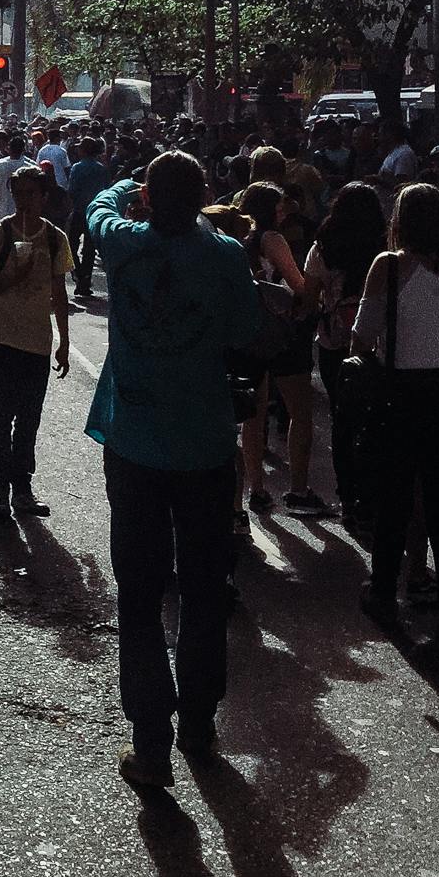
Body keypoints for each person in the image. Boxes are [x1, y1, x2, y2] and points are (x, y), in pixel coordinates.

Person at [85, 151, 261, 787]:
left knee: (138, 594)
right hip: (206, 446)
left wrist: (130, 184)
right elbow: (245, 331)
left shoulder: (127, 243)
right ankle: (199, 725)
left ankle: (151, 741)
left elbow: (96, 209)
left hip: (133, 441)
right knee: (204, 588)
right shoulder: (224, 255)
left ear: (152, 202)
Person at [351, 182, 439, 668]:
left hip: (402, 396)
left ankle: (384, 592)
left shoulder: (389, 267)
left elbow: (361, 338)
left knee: (394, 501)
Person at [0, 164, 72, 519]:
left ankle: (22, 488)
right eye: (19, 193)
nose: (24, 201)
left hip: (38, 342)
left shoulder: (56, 238)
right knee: (0, 416)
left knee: (29, 418)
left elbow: (59, 293)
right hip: (1, 338)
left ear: (44, 197)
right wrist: (15, 276)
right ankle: (0, 490)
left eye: (32, 193)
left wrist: (64, 342)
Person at [303, 182, 387, 527]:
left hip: (334, 341)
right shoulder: (384, 247)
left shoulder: (323, 246)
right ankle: (374, 491)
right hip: (378, 344)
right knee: (376, 418)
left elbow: (309, 296)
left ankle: (348, 496)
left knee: (343, 419)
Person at [237, 181, 315, 516]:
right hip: (282, 330)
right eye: (281, 205)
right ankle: (298, 489)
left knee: (253, 414)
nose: (286, 210)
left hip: (254, 330)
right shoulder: (272, 238)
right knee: (300, 411)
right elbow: (297, 284)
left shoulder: (243, 240)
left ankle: (257, 488)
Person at [67, 137, 111, 303]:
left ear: (84, 150)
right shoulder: (102, 169)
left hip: (79, 211)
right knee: (89, 247)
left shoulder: (77, 168)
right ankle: (84, 278)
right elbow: (107, 189)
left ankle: (78, 274)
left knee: (71, 243)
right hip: (95, 212)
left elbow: (71, 190)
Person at [0, 133, 29, 226]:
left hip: (3, 213)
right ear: (23, 149)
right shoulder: (31, 165)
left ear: (9, 148)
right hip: (26, 214)